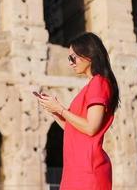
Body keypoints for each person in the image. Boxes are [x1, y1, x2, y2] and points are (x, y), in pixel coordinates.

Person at [36, 32, 120, 190]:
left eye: (72, 57)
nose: (71, 63)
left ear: (89, 56)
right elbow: (73, 129)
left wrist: (60, 109)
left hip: (88, 170)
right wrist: (54, 111)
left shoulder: (99, 83)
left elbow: (91, 127)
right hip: (76, 169)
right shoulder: (91, 86)